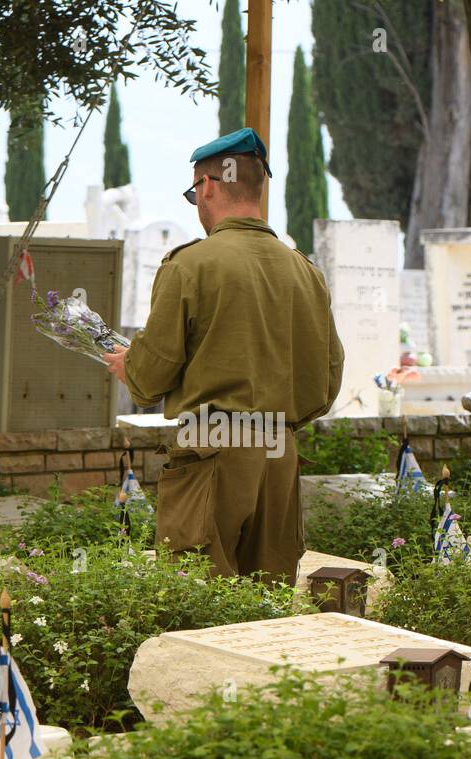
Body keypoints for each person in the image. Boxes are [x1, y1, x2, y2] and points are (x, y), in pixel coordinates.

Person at [103, 127, 343, 585]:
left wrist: (128, 365)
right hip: (281, 450)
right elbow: (327, 383)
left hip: (212, 447)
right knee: (267, 602)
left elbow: (150, 378)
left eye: (195, 195)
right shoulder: (306, 272)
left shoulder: (191, 265)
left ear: (207, 185)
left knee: (198, 599)